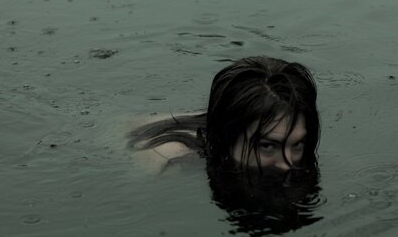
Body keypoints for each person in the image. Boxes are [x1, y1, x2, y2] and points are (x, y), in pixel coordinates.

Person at [127, 56, 321, 173]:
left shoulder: (246, 120)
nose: (287, 165)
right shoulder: (168, 159)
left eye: (297, 145)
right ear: (227, 138)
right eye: (267, 146)